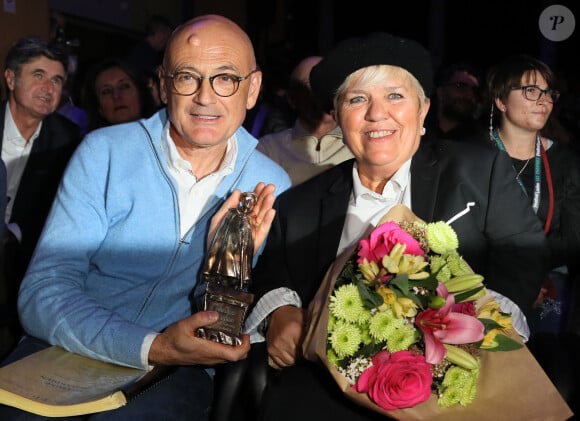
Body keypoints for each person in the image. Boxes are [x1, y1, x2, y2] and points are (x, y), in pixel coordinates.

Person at [244, 32, 549, 421]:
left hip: (460, 378)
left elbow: (522, 255)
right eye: (357, 99)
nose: (376, 114)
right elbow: (272, 268)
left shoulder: (477, 172)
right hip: (330, 387)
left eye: (395, 96)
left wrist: (478, 329)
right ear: (337, 118)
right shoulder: (301, 203)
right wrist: (281, 309)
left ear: (423, 110)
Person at [0, 14, 291, 421]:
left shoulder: (272, 183)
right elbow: (43, 292)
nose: (206, 97)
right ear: (163, 83)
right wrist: (150, 344)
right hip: (67, 347)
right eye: (188, 77)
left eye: (225, 78)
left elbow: (230, 318)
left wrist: (223, 265)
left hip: (179, 371)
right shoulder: (104, 151)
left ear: (253, 88)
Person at [484, 55, 580, 411]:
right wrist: (512, 278)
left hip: (547, 285)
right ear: (500, 99)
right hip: (482, 284)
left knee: (552, 384)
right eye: (530, 90)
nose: (544, 100)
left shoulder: (565, 161)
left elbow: (573, 238)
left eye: (548, 92)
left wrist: (530, 271)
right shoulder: (470, 155)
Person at [0, 36, 82, 352]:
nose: (49, 88)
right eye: (38, 75)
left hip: (24, 253)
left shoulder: (66, 138)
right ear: (11, 78)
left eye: (57, 80)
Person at [257, 56, 353, 186]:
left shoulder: (360, 143)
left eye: (330, 84)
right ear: (292, 98)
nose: (322, 94)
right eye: (310, 85)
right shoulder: (269, 149)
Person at [81, 57, 156, 132]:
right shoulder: (92, 142)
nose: (116, 96)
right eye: (106, 91)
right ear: (99, 108)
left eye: (124, 86)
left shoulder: (163, 134)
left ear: (141, 93)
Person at [426, 61, 485, 143]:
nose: (469, 95)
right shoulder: (418, 130)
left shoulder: (480, 143)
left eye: (474, 91)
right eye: (460, 86)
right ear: (441, 92)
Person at [126, 15, 174, 82]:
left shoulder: (145, 50)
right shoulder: (143, 53)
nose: (167, 41)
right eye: (167, 36)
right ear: (159, 33)